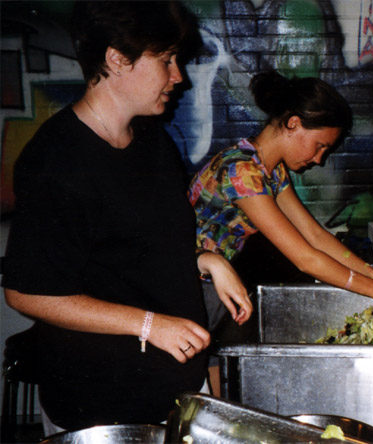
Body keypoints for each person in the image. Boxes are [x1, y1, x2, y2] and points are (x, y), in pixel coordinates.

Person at [1, 0, 252, 435]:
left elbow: (130, 247)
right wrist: (149, 325)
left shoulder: (152, 139)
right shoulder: (56, 161)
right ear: (117, 59)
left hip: (171, 392)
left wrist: (205, 260)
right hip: (100, 402)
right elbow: (27, 293)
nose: (179, 76)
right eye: (166, 60)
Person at [189, 70, 373, 317]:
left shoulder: (271, 170)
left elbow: (314, 235)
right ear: (293, 124)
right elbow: (305, 258)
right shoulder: (243, 172)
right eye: (320, 145)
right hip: (194, 282)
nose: (319, 159)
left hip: (212, 278)